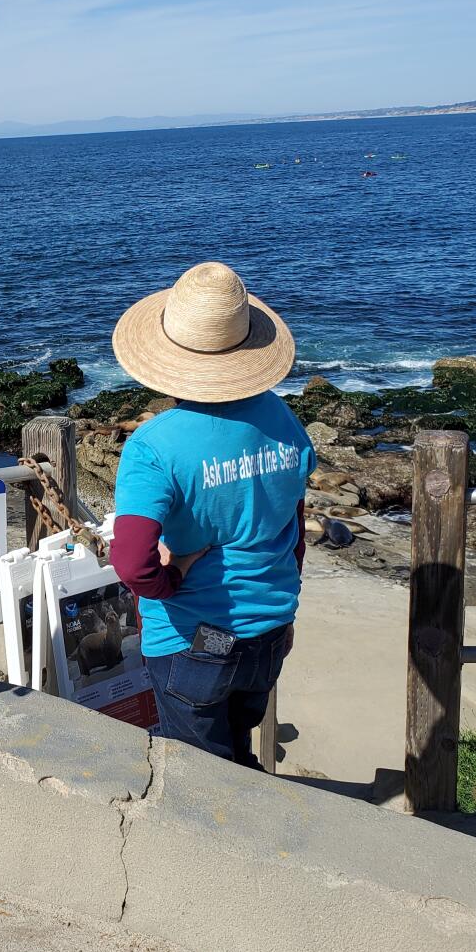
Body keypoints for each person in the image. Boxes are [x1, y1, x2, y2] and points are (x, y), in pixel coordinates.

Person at [108, 261, 315, 768]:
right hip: (269, 632)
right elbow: (294, 529)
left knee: (204, 780)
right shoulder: (282, 417)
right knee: (239, 754)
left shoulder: (154, 446)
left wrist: (171, 578)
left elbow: (132, 562)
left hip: (193, 640)